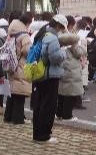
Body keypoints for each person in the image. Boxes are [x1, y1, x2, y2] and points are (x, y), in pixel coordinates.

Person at [29, 14, 68, 144]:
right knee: (48, 106)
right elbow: (55, 58)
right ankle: (44, 135)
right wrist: (64, 52)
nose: (62, 30)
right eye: (62, 28)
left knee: (39, 104)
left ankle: (37, 134)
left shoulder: (41, 34)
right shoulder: (52, 38)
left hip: (38, 74)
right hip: (49, 75)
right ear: (58, 26)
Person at [4, 16, 32, 124]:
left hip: (11, 64)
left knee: (12, 92)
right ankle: (18, 118)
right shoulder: (24, 36)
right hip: (20, 65)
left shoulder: (11, 34)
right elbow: (27, 51)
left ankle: (8, 116)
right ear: (27, 23)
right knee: (20, 94)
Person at [56, 27, 87, 120]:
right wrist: (80, 44)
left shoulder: (61, 47)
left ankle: (59, 113)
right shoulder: (74, 47)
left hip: (63, 71)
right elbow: (81, 52)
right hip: (72, 73)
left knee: (62, 94)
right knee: (70, 96)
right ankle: (67, 115)